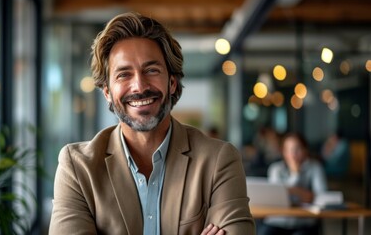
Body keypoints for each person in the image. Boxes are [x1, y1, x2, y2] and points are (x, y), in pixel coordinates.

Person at [49, 12, 255, 235]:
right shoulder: (77, 168)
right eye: (124, 75)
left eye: (152, 70)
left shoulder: (219, 160)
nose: (139, 85)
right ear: (107, 92)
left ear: (172, 83)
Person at [258, 132, 327, 235]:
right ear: (284, 152)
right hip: (277, 221)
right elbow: (276, 198)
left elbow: (322, 197)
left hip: (304, 222)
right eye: (289, 150)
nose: (293, 154)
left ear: (305, 150)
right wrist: (305, 194)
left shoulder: (315, 167)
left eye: (297, 149)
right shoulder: (276, 169)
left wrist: (290, 186)